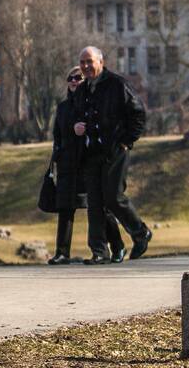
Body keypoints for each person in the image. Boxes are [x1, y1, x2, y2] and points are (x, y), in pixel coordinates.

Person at [72, 46, 153, 264]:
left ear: (101, 62)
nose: (86, 66)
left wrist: (127, 141)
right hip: (91, 153)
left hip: (115, 150)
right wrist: (77, 127)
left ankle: (140, 233)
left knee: (113, 197)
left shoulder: (117, 85)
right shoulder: (82, 91)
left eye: (90, 62)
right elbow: (77, 117)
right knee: (95, 204)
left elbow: (138, 114)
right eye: (83, 62)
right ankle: (99, 251)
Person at [49, 66, 124, 265]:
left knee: (99, 207)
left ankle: (116, 246)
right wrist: (56, 158)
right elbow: (57, 135)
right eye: (70, 78)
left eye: (78, 78)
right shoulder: (63, 107)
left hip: (88, 162)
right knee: (65, 208)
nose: (74, 81)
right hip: (67, 164)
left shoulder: (91, 104)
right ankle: (62, 252)